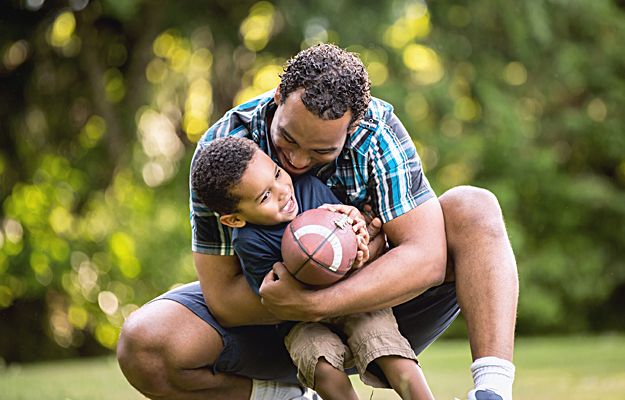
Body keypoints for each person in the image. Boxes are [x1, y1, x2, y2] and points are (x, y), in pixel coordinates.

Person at [117, 44, 518, 400]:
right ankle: (285, 396)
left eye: (322, 150)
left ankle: (491, 391)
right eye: (288, 140)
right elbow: (222, 298)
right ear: (277, 98)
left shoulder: (376, 131)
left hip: (381, 307)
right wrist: (298, 307)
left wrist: (315, 301)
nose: (297, 163)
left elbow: (427, 258)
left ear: (353, 128)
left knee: (474, 205)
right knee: (144, 344)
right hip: (275, 320)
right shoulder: (224, 151)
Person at [189, 136, 436, 400]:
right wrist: (326, 266)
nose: (283, 190)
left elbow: (351, 238)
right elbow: (282, 294)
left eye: (276, 173)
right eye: (264, 196)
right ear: (235, 219)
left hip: (354, 300)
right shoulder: (249, 242)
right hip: (299, 320)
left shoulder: (309, 188)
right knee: (320, 365)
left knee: (384, 343)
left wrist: (359, 240)